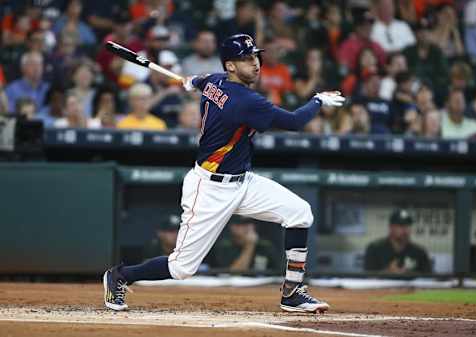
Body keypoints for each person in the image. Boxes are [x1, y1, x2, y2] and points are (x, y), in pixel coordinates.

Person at [103, 34, 345, 313]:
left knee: (300, 213)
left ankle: (292, 292)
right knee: (181, 268)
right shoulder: (245, 100)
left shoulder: (216, 80)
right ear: (231, 66)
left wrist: (191, 81)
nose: (255, 64)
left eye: (255, 57)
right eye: (247, 59)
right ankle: (120, 276)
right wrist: (317, 100)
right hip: (209, 189)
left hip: (242, 181)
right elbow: (293, 122)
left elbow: (201, 80)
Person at [364, 209, 432, 273]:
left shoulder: (419, 251)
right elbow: (367, 278)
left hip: (410, 285)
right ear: (391, 227)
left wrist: (409, 273)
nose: (405, 230)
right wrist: (388, 272)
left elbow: (429, 278)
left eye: (408, 226)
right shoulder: (374, 249)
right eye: (400, 225)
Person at [212, 216, 280, 272]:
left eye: (250, 223)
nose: (248, 227)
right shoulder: (224, 246)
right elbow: (234, 274)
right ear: (233, 227)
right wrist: (250, 245)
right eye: (242, 224)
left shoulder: (265, 246)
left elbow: (279, 272)